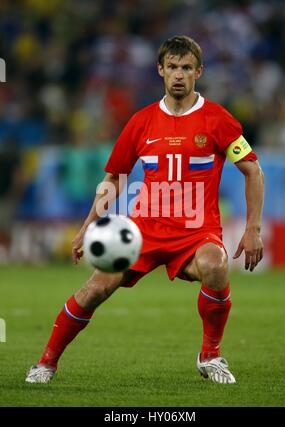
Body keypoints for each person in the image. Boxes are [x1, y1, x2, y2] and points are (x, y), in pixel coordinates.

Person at [26, 36, 264, 385]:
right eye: (172, 67)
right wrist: (85, 229)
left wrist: (253, 228)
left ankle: (210, 355)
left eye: (186, 68)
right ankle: (46, 362)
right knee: (94, 289)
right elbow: (114, 179)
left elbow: (253, 170)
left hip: (196, 231)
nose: (178, 75)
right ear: (160, 71)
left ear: (198, 71)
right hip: (143, 231)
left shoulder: (218, 119)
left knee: (216, 265)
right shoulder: (141, 121)